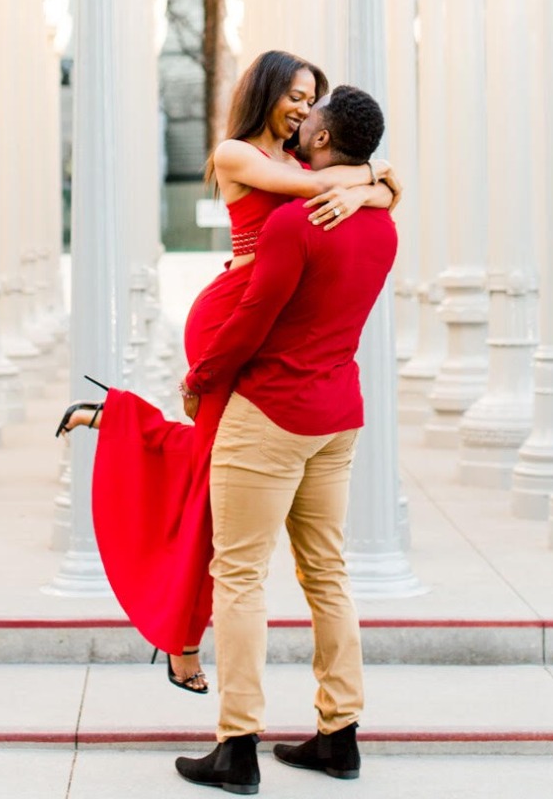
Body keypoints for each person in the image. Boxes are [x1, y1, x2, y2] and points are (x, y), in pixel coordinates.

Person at [56, 51, 397, 693]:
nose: (301, 106)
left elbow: (346, 180)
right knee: (215, 491)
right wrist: (372, 188)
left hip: (263, 327)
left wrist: (373, 188)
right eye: (295, 94)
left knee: (216, 474)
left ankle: (122, 421)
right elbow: (325, 189)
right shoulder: (238, 154)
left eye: (311, 97)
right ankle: (183, 640)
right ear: (266, 91)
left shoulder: (303, 161)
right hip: (229, 323)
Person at [174, 85, 398, 795]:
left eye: (312, 120)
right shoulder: (383, 225)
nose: (301, 125)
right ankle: (340, 735)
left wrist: (201, 375)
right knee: (326, 573)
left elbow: (250, 323)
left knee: (238, 574)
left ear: (327, 144)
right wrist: (372, 186)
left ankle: (236, 745)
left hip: (270, 410)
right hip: (339, 416)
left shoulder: (294, 225)